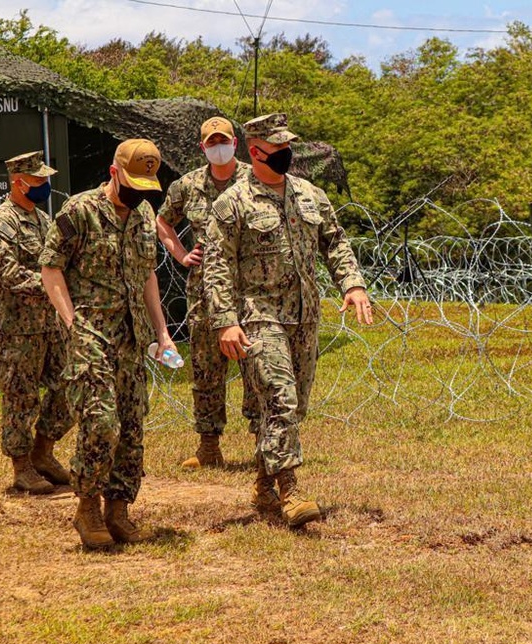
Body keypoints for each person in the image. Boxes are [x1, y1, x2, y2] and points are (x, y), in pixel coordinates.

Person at [204, 113, 373, 527]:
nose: (285, 154)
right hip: (259, 315)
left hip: (305, 317)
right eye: (277, 148)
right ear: (255, 150)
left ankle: (264, 482)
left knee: (289, 408)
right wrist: (226, 320)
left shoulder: (310, 195)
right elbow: (217, 266)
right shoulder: (232, 204)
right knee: (281, 397)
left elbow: (335, 242)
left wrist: (353, 285)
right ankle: (291, 491)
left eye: (287, 147)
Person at [39, 139, 179, 549]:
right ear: (114, 172)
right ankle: (87, 507)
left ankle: (119, 509)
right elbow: (51, 269)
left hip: (132, 339)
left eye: (146, 186)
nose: (138, 194)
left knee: (132, 427)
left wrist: (162, 331)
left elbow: (148, 275)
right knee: (101, 423)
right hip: (92, 337)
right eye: (132, 183)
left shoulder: (143, 214)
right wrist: (72, 324)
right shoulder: (80, 211)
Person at [156, 117, 258, 469]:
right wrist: (181, 253)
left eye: (224, 140)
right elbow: (163, 220)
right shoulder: (187, 185)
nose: (218, 146)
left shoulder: (254, 178)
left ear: (235, 142)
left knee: (257, 365)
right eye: (211, 142)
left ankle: (264, 440)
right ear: (203, 147)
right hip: (204, 293)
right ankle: (209, 445)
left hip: (250, 289)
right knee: (206, 369)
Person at [0, 151, 73, 495]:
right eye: (37, 181)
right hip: (18, 329)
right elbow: (9, 275)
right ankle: (21, 467)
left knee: (69, 384)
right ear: (18, 182)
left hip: (50, 326)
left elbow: (57, 261)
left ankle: (43, 452)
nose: (44, 185)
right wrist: (54, 287)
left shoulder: (43, 221)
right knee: (21, 397)